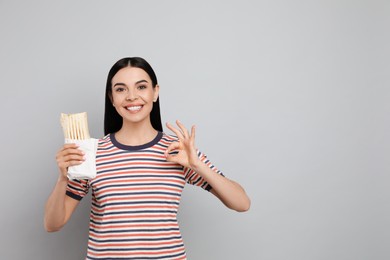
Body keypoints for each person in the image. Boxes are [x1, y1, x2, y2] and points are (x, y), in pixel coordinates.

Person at [44, 57, 251, 259]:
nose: (132, 96)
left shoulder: (177, 151)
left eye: (141, 87)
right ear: (111, 98)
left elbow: (241, 203)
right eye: (121, 89)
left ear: (155, 92)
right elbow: (52, 224)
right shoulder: (92, 152)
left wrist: (197, 165)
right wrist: (63, 178)